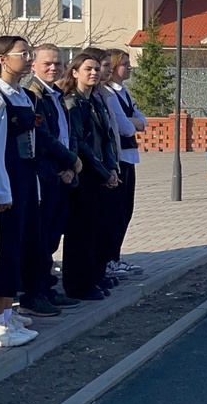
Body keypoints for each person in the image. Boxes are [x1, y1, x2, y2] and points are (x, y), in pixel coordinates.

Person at [0, 37, 45, 348]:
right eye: (22, 54)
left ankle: (5, 313)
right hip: (3, 185)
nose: (29, 59)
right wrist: (0, 191)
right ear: (2, 59)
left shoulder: (22, 96)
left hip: (23, 180)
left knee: (15, 250)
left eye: (30, 53)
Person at [57, 52, 119, 306]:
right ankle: (78, 284)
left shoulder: (94, 100)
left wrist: (112, 167)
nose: (93, 73)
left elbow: (106, 137)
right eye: (88, 69)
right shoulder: (72, 102)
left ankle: (93, 276)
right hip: (85, 175)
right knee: (80, 231)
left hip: (100, 173)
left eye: (96, 69)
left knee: (98, 228)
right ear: (75, 72)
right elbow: (80, 142)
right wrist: (103, 172)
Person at [24, 44, 82, 313]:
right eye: (47, 63)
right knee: (40, 237)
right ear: (33, 65)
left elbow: (66, 134)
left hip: (63, 175)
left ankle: (47, 287)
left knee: (52, 237)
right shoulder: (33, 95)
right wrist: (69, 161)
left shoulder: (57, 96)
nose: (54, 68)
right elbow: (43, 138)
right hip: (46, 175)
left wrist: (71, 166)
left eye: (58, 63)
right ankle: (34, 293)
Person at [102, 48, 147, 278]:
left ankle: (115, 256)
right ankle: (109, 259)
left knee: (126, 210)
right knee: (115, 212)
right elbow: (126, 126)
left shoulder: (124, 92)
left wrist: (134, 122)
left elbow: (142, 120)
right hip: (118, 157)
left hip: (129, 156)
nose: (129, 67)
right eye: (125, 63)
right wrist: (134, 122)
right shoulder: (109, 93)